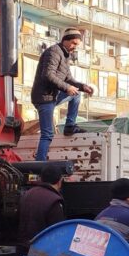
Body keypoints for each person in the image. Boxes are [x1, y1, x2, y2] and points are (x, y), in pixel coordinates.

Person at [32, 28, 94, 161]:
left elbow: (68, 79)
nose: (75, 47)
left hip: (53, 96)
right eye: (73, 43)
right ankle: (39, 164)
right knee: (47, 135)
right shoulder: (54, 52)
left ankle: (69, 127)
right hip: (44, 98)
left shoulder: (66, 55)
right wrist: (67, 88)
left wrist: (83, 87)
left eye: (77, 45)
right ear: (65, 40)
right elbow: (48, 75)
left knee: (76, 94)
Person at [16, 165, 67, 253]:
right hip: (41, 253)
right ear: (60, 181)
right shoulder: (54, 201)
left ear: (41, 179)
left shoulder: (27, 194)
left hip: (22, 249)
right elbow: (58, 233)